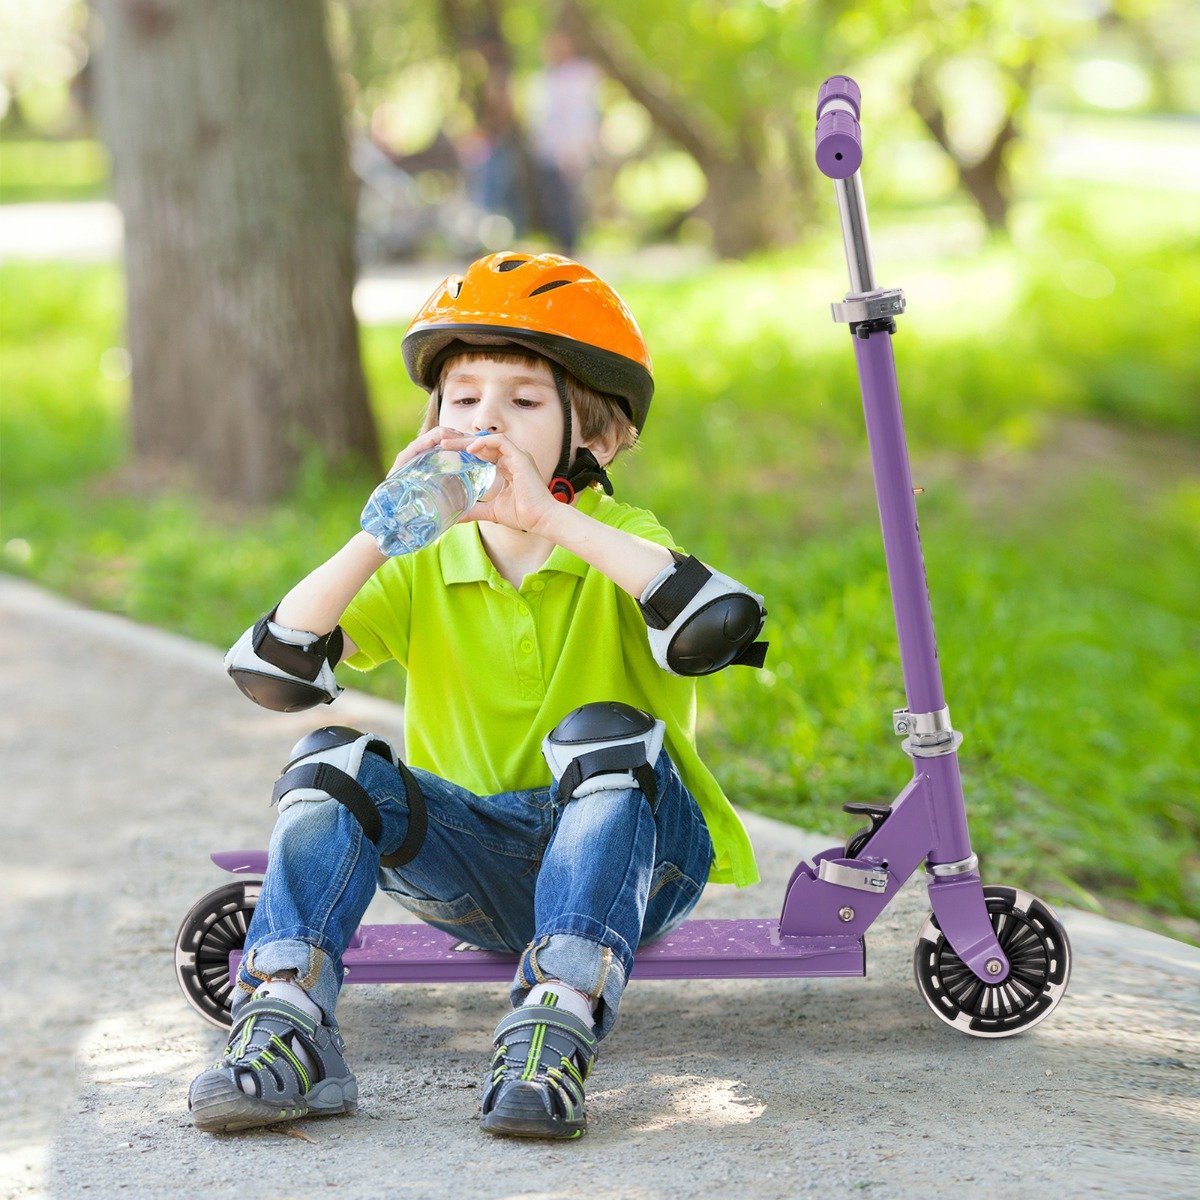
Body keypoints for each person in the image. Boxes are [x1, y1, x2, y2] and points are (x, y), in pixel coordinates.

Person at [191, 251, 768, 1140]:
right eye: (463, 400)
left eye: (524, 402)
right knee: (332, 759)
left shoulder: (615, 537)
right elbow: (271, 669)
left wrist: (549, 519)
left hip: (640, 850)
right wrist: (379, 533)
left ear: (599, 439)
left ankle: (553, 1030)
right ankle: (285, 1021)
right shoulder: (423, 563)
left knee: (603, 734)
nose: (484, 423)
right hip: (479, 868)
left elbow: (720, 622)